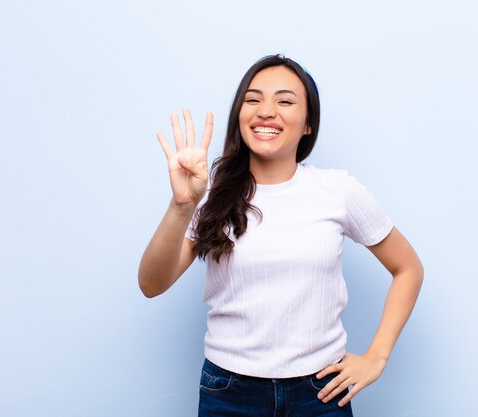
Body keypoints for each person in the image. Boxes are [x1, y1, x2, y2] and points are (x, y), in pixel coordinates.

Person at [138, 54, 424, 416]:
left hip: (320, 393)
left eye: (285, 101)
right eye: (253, 99)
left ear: (308, 124)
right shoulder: (207, 194)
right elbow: (151, 284)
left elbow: (408, 268)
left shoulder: (338, 190)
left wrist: (376, 357)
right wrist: (181, 207)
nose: (266, 111)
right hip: (229, 392)